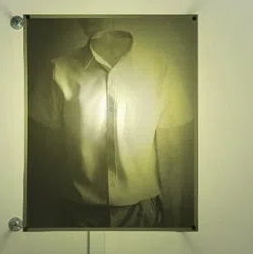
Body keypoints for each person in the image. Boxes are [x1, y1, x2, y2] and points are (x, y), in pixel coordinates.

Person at [27, 17, 195, 229]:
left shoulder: (161, 70)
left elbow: (173, 155)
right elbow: (44, 155)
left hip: (142, 213)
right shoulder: (58, 70)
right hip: (76, 213)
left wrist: (174, 222)